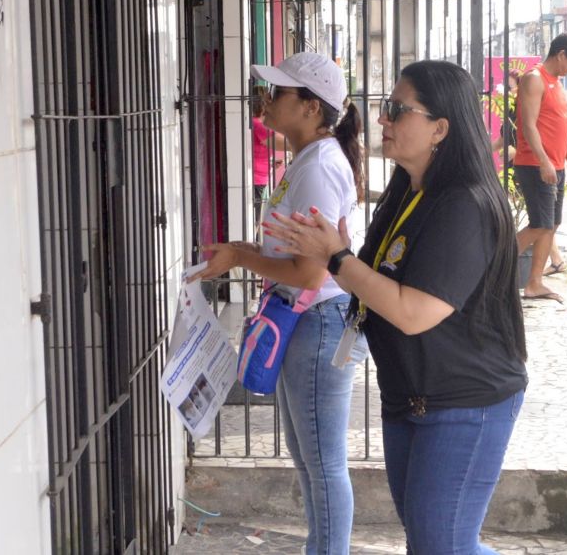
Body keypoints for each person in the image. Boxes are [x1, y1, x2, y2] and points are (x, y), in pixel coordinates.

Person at [264, 60, 528, 554]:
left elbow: (413, 312)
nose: (380, 120)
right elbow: (373, 280)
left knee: (439, 543)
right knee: (435, 540)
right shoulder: (408, 191)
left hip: (464, 403)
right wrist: (340, 251)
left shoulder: (463, 204)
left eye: (396, 110)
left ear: (440, 129)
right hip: (410, 397)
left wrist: (336, 258)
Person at [190, 52, 365, 555]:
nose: (266, 101)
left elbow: (312, 269)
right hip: (304, 318)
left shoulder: (318, 167)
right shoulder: (310, 160)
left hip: (317, 319)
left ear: (311, 107)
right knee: (309, 457)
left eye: (280, 93)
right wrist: (243, 252)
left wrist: (242, 259)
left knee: (322, 460)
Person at [514, 33, 567, 302]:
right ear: (560, 55)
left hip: (555, 164)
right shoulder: (535, 78)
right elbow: (528, 125)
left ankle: (534, 283)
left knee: (551, 224)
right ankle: (490, 266)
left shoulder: (556, 83)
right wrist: (543, 160)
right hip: (535, 163)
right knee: (540, 224)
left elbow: (558, 126)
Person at [252, 86, 288, 228]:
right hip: (256, 181)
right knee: (254, 222)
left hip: (257, 178)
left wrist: (270, 163)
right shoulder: (258, 125)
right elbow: (287, 144)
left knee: (255, 220)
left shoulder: (253, 124)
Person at [490, 69, 521, 162]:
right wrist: (482, 152)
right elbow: (502, 140)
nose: (506, 91)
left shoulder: (527, 110)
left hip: (525, 166)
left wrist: (516, 151)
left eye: (509, 87)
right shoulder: (510, 110)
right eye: (505, 87)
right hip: (510, 167)